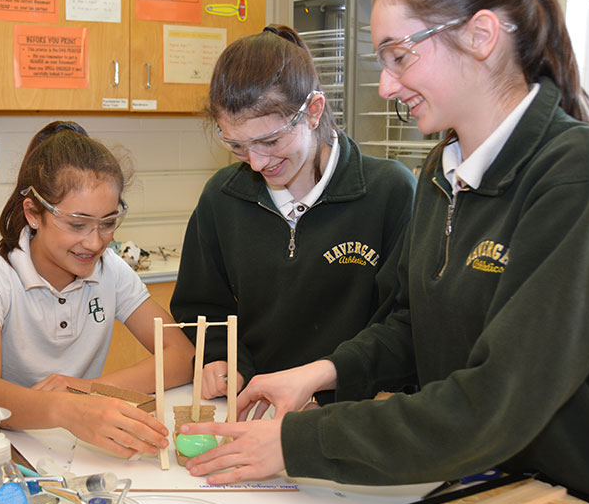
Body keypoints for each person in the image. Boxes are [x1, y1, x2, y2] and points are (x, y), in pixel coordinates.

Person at [180, 0, 589, 504]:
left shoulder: (581, 175)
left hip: (574, 486)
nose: (386, 85)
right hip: (474, 472)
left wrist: (295, 441)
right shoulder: (443, 170)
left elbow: (493, 402)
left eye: (400, 55)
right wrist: (320, 372)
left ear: (481, 36)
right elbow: (413, 328)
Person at [171, 24, 416, 402]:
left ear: (313, 111)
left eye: (270, 141)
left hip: (352, 412)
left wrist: (332, 389)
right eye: (236, 146)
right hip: (254, 406)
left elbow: (402, 326)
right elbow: (202, 306)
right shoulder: (222, 198)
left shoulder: (389, 193)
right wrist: (221, 358)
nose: (255, 162)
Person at [0, 121, 194, 459]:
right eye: (77, 225)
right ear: (34, 213)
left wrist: (88, 391)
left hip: (75, 442)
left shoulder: (111, 270)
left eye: (108, 223)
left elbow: (184, 356)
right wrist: (67, 408)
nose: (95, 242)